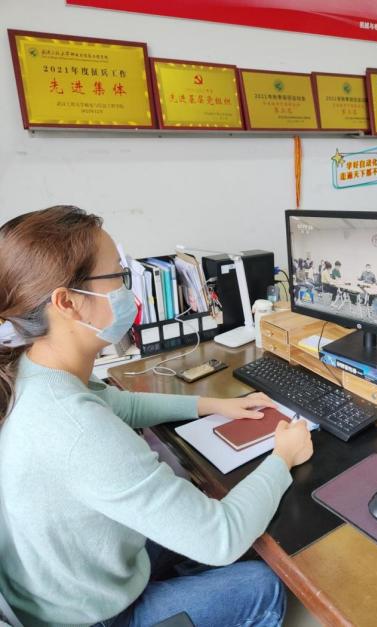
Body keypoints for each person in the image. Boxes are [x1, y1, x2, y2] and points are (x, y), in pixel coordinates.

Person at [0, 206, 314, 626]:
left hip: (68, 579)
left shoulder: (33, 370)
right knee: (262, 584)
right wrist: (283, 458)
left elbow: (120, 406)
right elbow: (220, 538)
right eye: (118, 276)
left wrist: (211, 405)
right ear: (68, 303)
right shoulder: (75, 430)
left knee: (207, 514)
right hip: (91, 616)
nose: (127, 292)